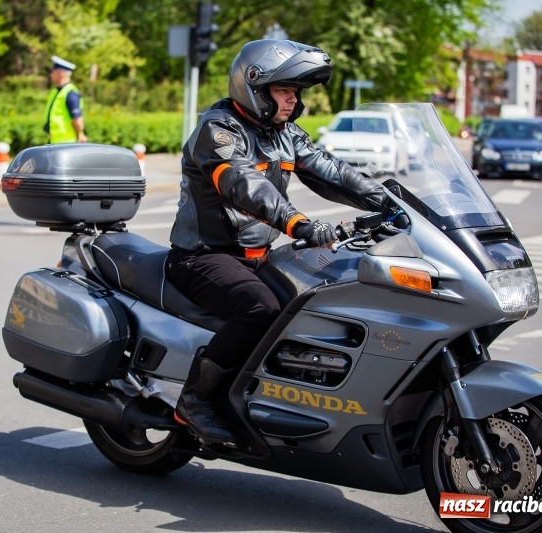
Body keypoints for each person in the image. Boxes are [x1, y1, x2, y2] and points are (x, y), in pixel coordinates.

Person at [166, 39, 388, 443]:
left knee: (321, 295)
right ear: (254, 85)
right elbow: (244, 185)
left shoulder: (284, 133)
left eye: (296, 93)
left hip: (258, 255)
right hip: (204, 256)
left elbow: (331, 171)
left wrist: (388, 200)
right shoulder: (218, 130)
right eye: (284, 91)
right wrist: (299, 224)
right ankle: (195, 400)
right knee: (259, 308)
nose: (292, 101)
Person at [44, 55, 87, 144]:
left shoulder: (70, 93)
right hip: (56, 142)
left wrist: (79, 134)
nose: (51, 74)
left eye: (53, 72)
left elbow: (77, 120)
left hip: (68, 143)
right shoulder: (56, 92)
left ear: (60, 74)